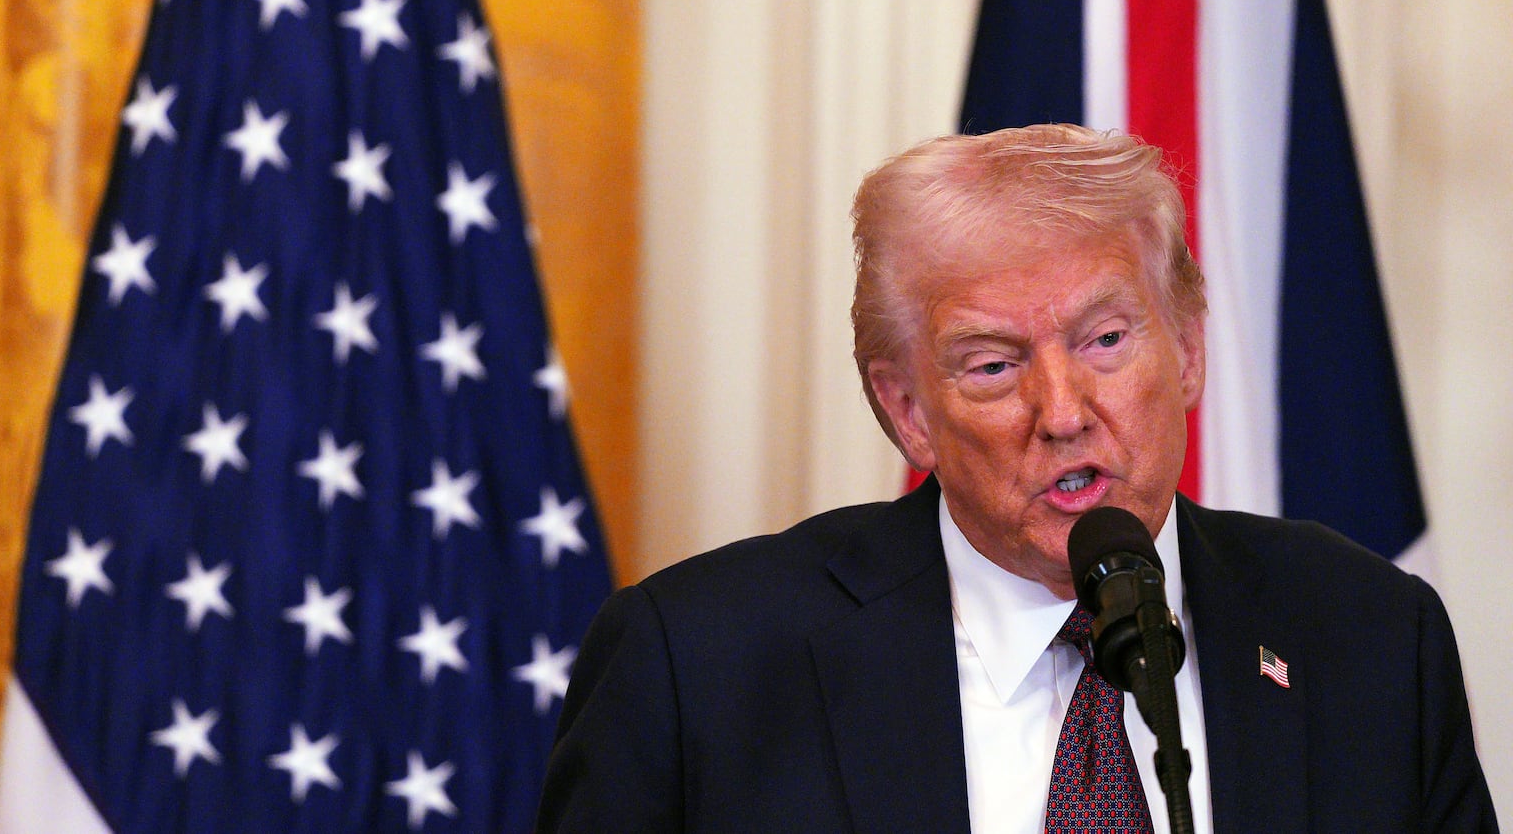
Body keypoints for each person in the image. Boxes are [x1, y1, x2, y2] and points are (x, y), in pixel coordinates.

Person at [535, 124, 1498, 833]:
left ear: (1191, 351)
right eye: (993, 364)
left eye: (1107, 339)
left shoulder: (1371, 639)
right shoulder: (701, 665)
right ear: (908, 409)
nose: (1065, 410)